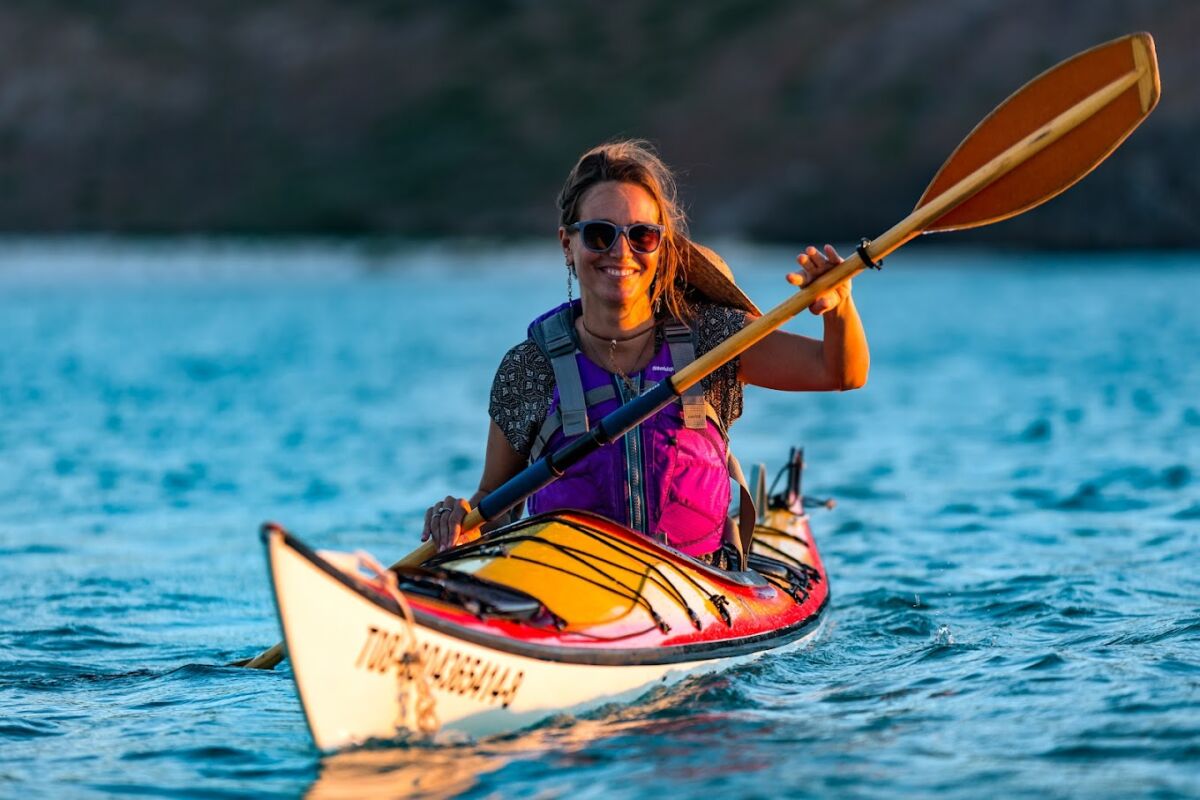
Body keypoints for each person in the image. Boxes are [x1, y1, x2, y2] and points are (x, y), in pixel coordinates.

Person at [424, 139, 868, 563]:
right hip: (570, 592)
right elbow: (493, 506)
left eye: (642, 235)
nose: (621, 251)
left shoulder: (712, 339)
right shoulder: (530, 368)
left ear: (661, 247)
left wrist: (839, 306)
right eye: (599, 235)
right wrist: (460, 518)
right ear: (567, 244)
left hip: (701, 585)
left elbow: (839, 372)